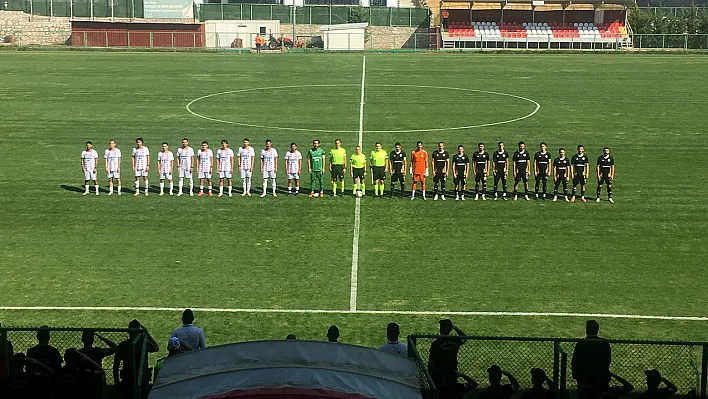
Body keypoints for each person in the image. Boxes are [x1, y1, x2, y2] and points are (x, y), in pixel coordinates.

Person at [113, 319, 159, 399]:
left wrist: (116, 381)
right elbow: (156, 347)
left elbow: (116, 366)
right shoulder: (144, 344)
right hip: (142, 380)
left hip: (127, 380)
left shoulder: (122, 346)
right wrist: (147, 334)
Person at [572, 320, 612, 398]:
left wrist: (576, 374)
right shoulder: (604, 343)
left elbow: (575, 361)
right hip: (599, 377)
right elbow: (607, 360)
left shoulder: (581, 343)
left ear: (587, 330)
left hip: (583, 378)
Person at [428, 319, 466, 388]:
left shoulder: (436, 343)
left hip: (438, 372)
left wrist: (429, 374)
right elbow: (464, 337)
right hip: (452, 370)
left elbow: (431, 362)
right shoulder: (455, 340)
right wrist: (455, 328)